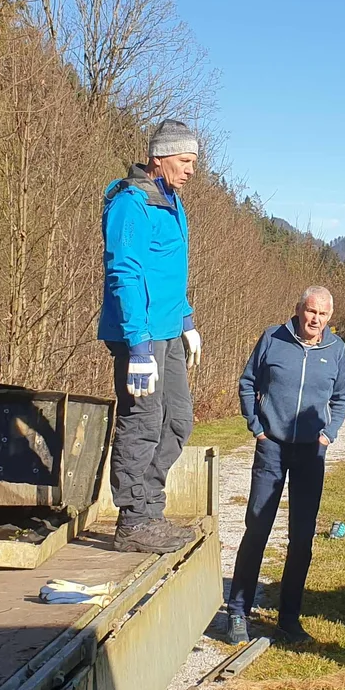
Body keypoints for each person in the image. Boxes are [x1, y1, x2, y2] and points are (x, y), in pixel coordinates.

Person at [99, 120, 203, 554]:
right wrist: (138, 346)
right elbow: (124, 272)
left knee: (178, 421)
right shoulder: (132, 203)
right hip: (138, 336)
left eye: (194, 162)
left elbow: (168, 275)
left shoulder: (171, 201)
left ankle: (149, 507)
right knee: (142, 422)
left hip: (168, 332)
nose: (192, 170)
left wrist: (186, 321)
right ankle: (134, 520)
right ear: (158, 158)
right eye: (185, 161)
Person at [226, 286, 345, 645]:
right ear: (299, 309)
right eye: (310, 311)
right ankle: (237, 613)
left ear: (330, 317)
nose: (315, 320)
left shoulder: (336, 349)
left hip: (311, 452)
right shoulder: (273, 338)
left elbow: (341, 397)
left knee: (302, 538)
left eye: (322, 315)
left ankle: (289, 618)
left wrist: (329, 434)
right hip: (272, 448)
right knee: (257, 529)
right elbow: (248, 383)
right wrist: (258, 429)